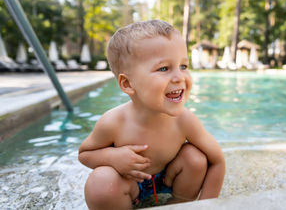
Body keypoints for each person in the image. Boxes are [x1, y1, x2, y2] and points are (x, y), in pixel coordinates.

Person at [78, 20, 226, 210]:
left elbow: (218, 161)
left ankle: (179, 204)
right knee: (101, 182)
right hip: (129, 183)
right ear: (127, 84)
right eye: (163, 68)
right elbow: (85, 154)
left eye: (183, 66)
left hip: (169, 179)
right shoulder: (114, 122)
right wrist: (113, 157)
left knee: (195, 158)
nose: (179, 77)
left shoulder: (184, 120)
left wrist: (207, 205)